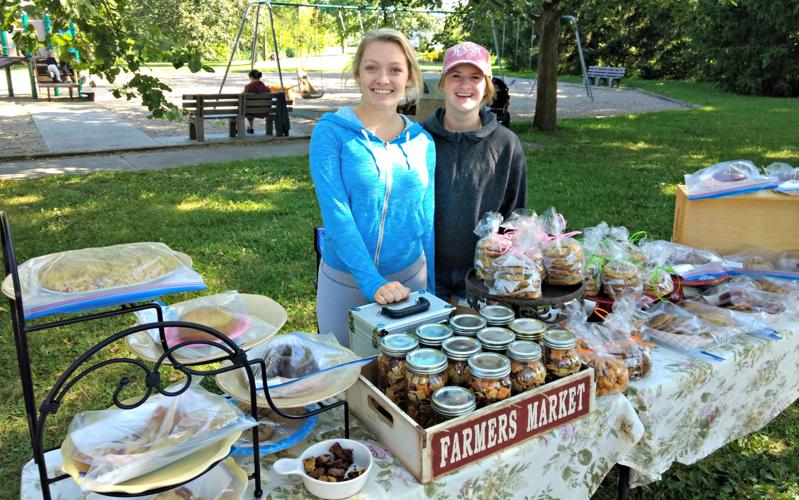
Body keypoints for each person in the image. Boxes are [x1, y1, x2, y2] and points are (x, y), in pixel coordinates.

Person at [310, 28, 435, 346]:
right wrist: (372, 281)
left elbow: (426, 220)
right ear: (357, 73)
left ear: (408, 77)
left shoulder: (423, 141)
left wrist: (431, 290)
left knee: (406, 384)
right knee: (343, 377)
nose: (383, 79)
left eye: (395, 69)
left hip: (410, 280)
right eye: (372, 68)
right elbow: (336, 214)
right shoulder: (331, 133)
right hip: (346, 281)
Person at [423, 41, 527, 303]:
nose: (465, 85)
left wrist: (498, 266)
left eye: (475, 77)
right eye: (456, 76)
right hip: (424, 271)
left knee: (469, 342)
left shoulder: (506, 144)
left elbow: (514, 214)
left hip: (482, 273)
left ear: (487, 86)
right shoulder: (418, 138)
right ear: (443, 83)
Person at [243, 69, 270, 134]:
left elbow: (241, 97)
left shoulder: (248, 87)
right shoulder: (266, 88)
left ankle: (237, 128)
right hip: (264, 111)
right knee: (251, 111)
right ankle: (251, 128)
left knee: (244, 110)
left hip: (249, 110)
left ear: (251, 77)